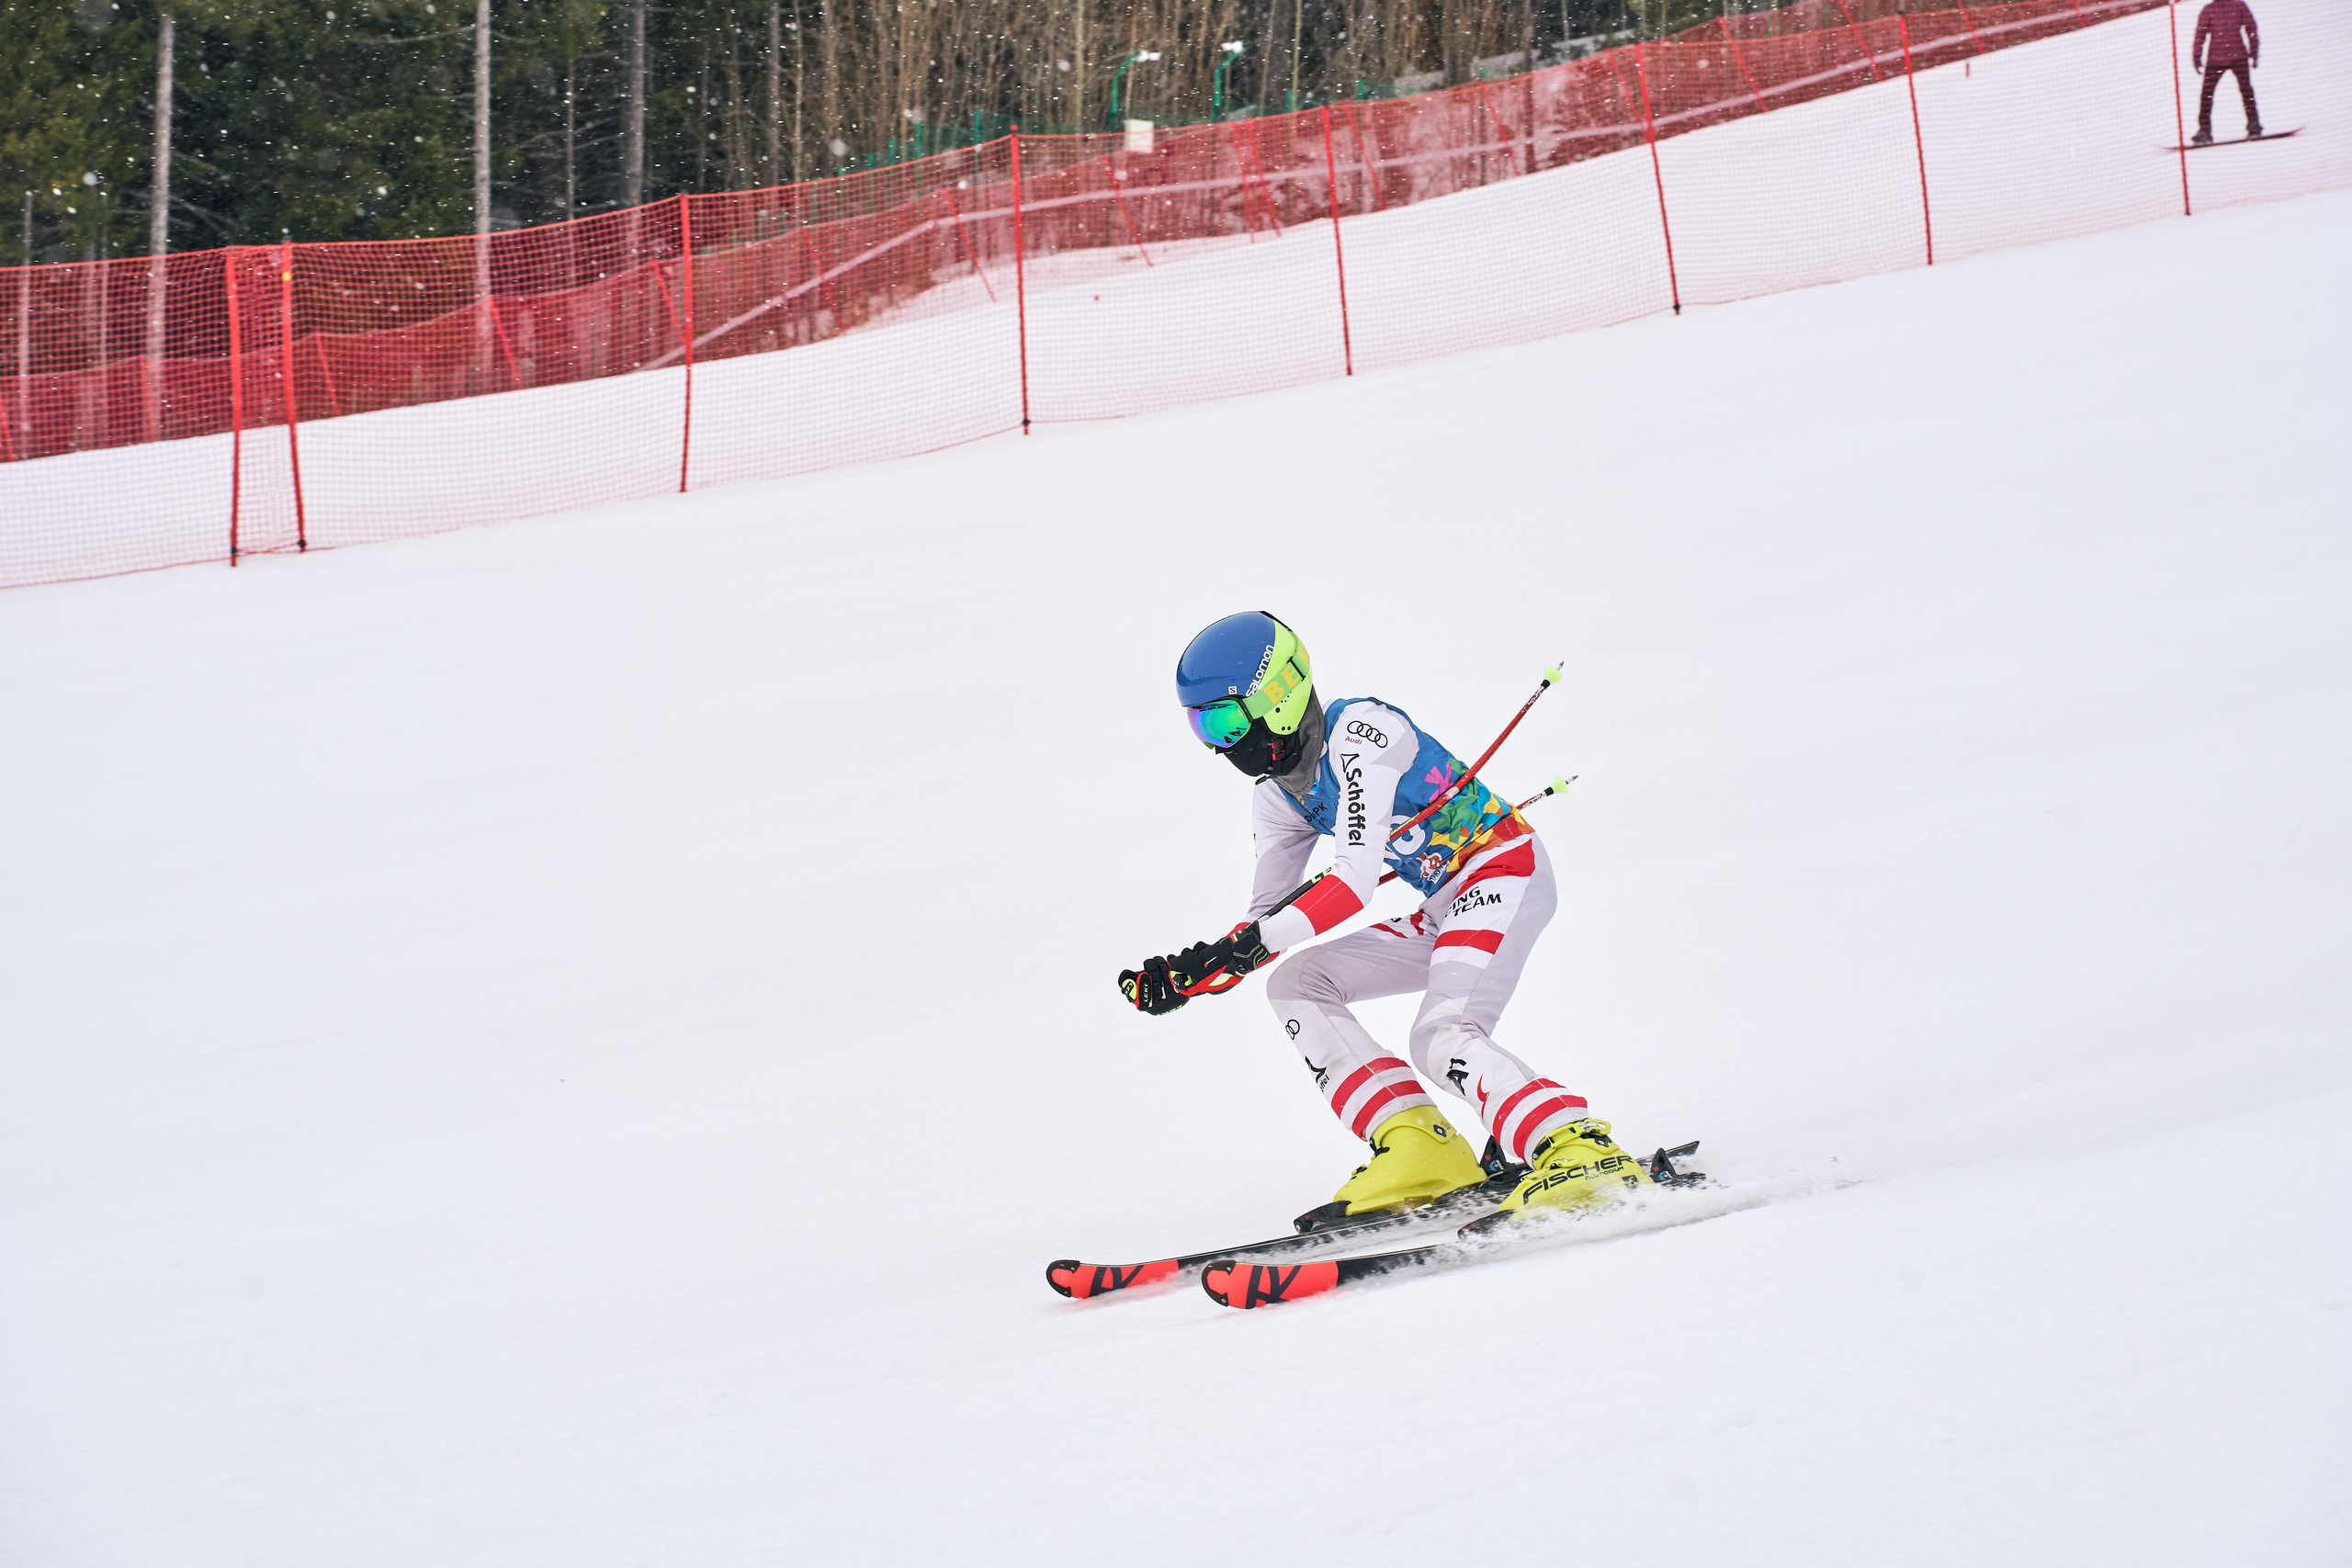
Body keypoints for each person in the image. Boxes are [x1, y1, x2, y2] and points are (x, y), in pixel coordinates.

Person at [1118, 611, 1652, 1224]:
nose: (1218, 744)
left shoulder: (1363, 733)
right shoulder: (1275, 793)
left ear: (1276, 697)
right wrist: (1199, 970)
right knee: (1295, 984)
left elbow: (1351, 883)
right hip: (1443, 905)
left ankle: (1577, 1143)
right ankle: (1420, 1143)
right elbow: (1267, 917)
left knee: (1441, 1035)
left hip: (1504, 872)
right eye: (1200, 726)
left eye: (1224, 719)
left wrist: (1244, 947)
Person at [2192, 0, 2262, 144]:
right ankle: (2253, 124)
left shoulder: (2231, 6)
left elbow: (2251, 29)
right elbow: (2200, 34)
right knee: (2243, 90)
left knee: (2210, 94)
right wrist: (2196, 56)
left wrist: (2197, 55)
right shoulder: (2229, 7)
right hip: (2229, 57)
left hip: (2225, 57)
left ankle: (2205, 130)